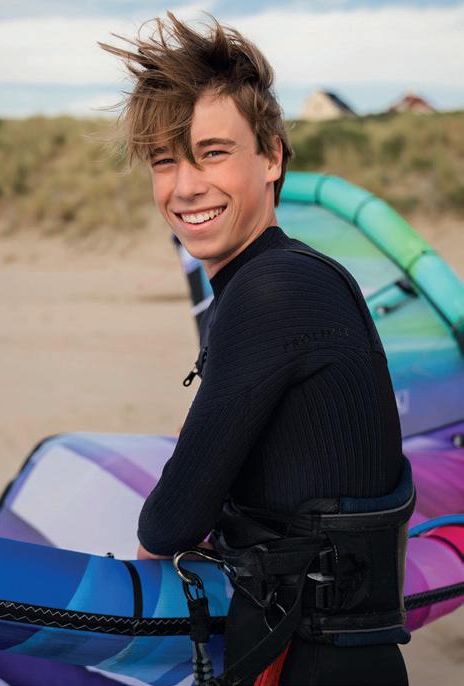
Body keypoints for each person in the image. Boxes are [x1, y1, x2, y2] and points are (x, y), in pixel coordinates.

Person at [101, 13, 411, 685]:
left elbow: (172, 520)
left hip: (317, 664)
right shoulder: (287, 276)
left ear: (271, 156)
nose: (185, 186)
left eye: (212, 153)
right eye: (165, 161)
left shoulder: (275, 290)